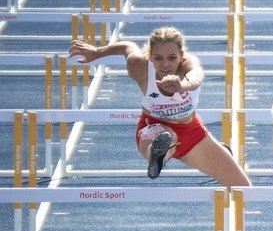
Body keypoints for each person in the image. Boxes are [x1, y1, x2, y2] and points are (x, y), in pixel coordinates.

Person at [69, 28, 251, 187]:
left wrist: (181, 86)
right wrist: (98, 52)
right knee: (166, 137)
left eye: (172, 58)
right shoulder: (138, 66)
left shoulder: (189, 64)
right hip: (153, 126)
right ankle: (157, 157)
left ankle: (198, 152)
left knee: (242, 186)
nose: (165, 64)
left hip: (191, 132)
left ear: (181, 56)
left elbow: (196, 77)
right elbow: (127, 47)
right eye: (158, 58)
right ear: (149, 57)